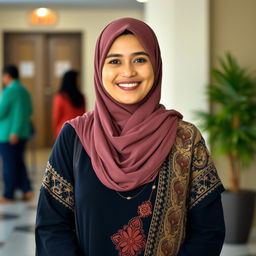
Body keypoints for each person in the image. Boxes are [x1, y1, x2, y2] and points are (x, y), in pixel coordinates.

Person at [35, 18, 225, 255]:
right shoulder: (74, 137)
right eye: (115, 61)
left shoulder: (186, 139)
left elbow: (208, 231)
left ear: (155, 64)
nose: (128, 72)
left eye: (140, 59)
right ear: (99, 68)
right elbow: (52, 226)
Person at [0, 65, 33, 203]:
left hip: (9, 134)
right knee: (19, 162)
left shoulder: (9, 91)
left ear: (7, 76)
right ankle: (26, 190)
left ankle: (8, 194)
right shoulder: (25, 91)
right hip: (23, 133)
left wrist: (14, 131)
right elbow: (30, 111)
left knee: (9, 164)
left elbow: (2, 111)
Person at [52, 70, 86, 139]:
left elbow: (56, 117)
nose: (80, 82)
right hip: (79, 131)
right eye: (78, 79)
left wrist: (55, 131)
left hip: (64, 130)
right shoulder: (81, 97)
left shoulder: (60, 97)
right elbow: (83, 115)